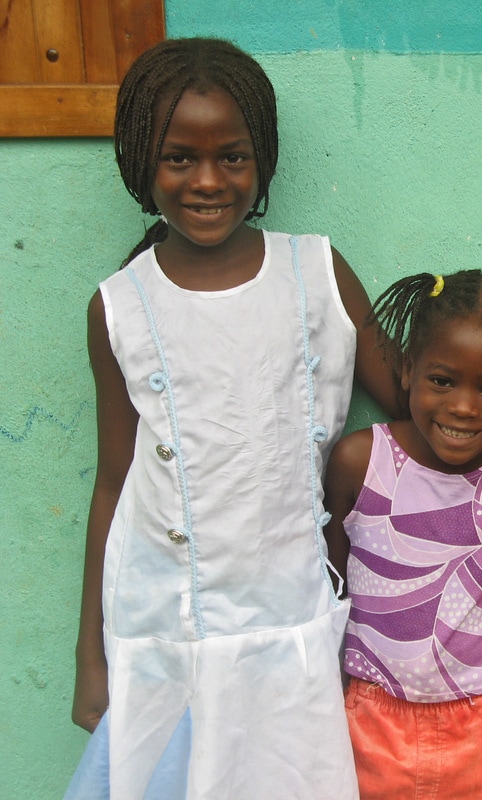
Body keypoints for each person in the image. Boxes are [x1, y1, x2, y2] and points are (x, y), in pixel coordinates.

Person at [67, 38, 400, 798]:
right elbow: (114, 485)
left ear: (264, 160)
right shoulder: (119, 306)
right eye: (179, 158)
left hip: (288, 618)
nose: (208, 181)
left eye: (233, 157)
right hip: (165, 630)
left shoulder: (314, 271)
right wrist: (93, 656)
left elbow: (415, 395)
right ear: (139, 165)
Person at [322, 270, 482, 799]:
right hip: (362, 720)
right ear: (407, 370)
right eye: (442, 380)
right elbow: (325, 592)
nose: (464, 407)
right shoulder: (359, 462)